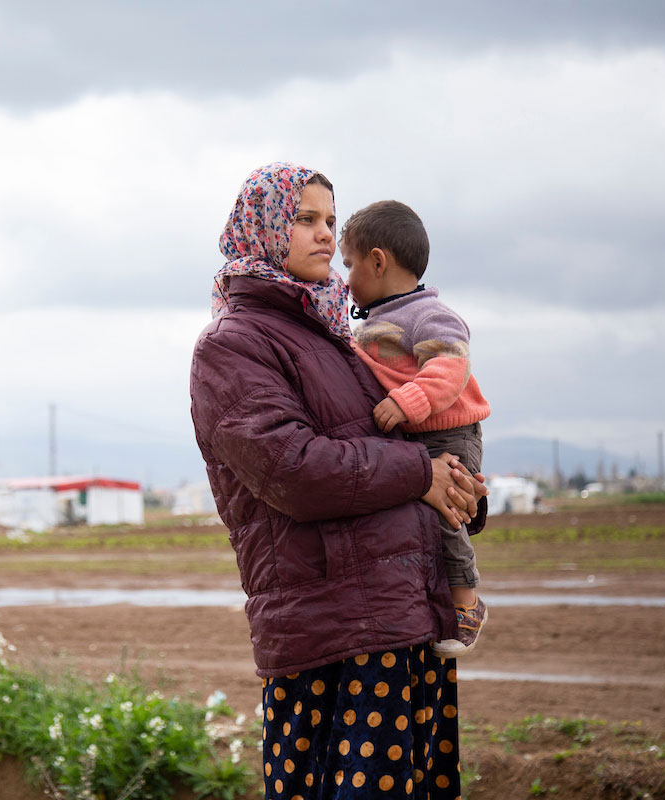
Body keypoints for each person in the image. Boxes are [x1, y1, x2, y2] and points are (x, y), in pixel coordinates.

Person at [190, 163, 483, 799]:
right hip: (333, 637)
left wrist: (456, 485)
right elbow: (293, 470)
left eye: (329, 219)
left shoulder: (337, 337)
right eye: (304, 220)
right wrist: (419, 474)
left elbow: (410, 443)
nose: (326, 234)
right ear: (261, 231)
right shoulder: (234, 345)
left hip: (404, 617)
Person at [341, 200, 491, 658]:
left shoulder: (429, 314)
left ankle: (466, 602)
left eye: (348, 265)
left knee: (445, 515)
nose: (344, 279)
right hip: (419, 436)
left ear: (378, 261)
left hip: (449, 432)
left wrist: (409, 401)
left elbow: (451, 364)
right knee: (425, 516)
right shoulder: (375, 322)